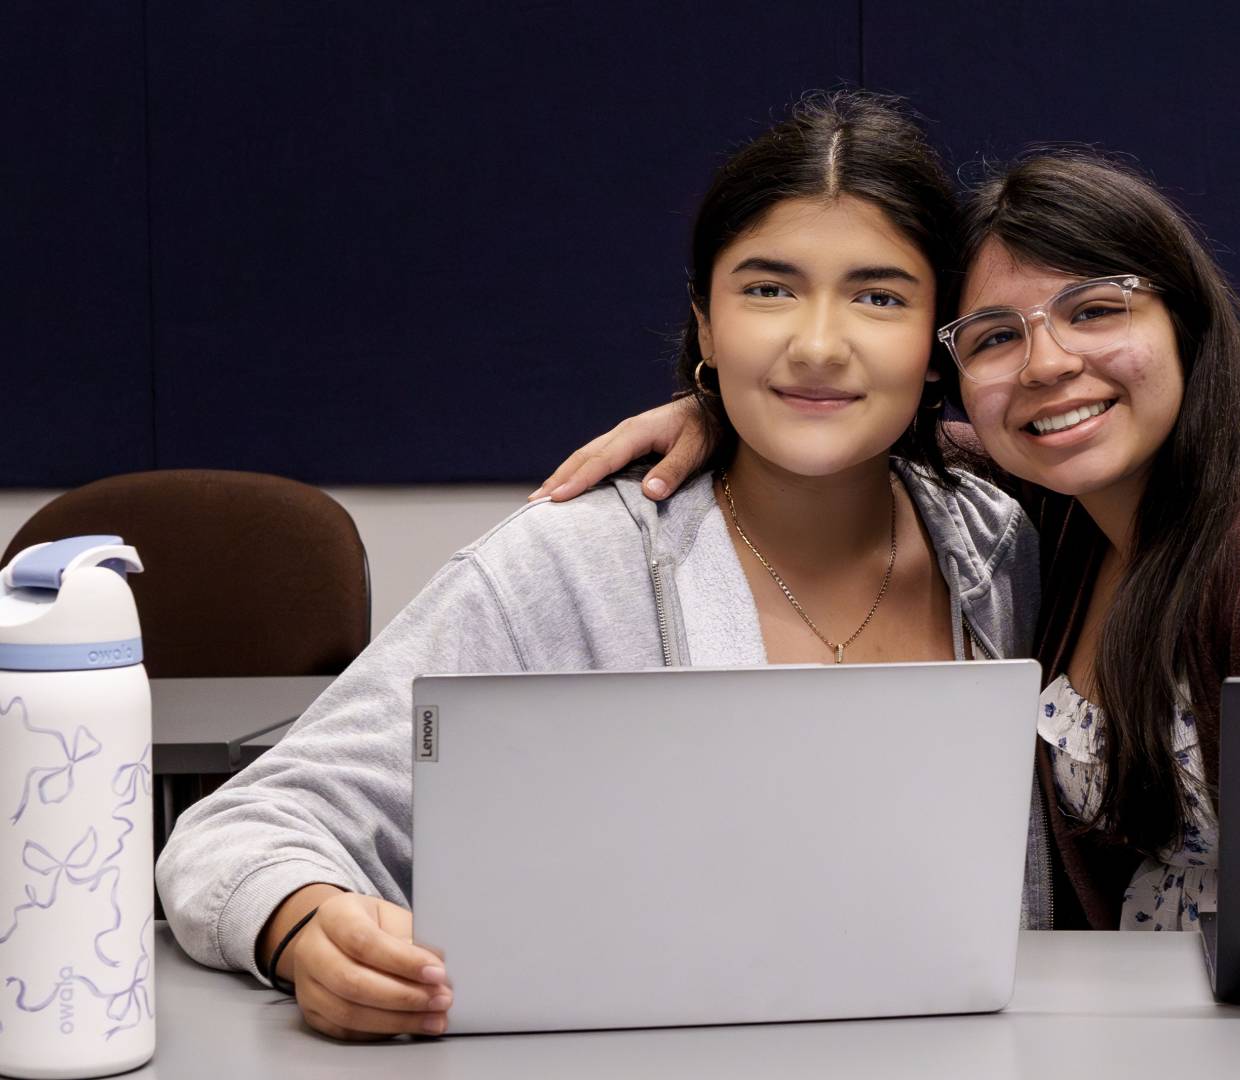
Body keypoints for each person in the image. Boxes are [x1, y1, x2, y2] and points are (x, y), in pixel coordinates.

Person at [155, 91, 1039, 1041]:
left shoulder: (1005, 547)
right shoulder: (570, 563)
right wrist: (303, 927)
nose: (818, 344)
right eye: (768, 289)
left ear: (937, 340)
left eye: (879, 296)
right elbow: (239, 827)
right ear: (705, 326)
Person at [533, 149, 1240, 933]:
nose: (1046, 365)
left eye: (1095, 311)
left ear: (1188, 322)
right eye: (994, 336)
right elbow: (887, 434)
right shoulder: (1056, 521)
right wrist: (728, 413)